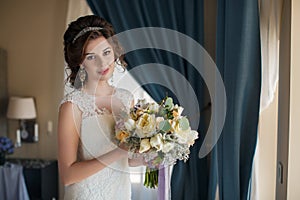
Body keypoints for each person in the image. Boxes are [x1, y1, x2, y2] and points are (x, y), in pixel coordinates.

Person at [58, 15, 142, 200]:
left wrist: (152, 154)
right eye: (91, 57)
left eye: (106, 52)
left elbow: (128, 160)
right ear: (80, 62)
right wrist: (119, 151)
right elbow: (67, 176)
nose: (103, 63)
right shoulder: (73, 106)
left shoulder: (126, 98)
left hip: (121, 193)